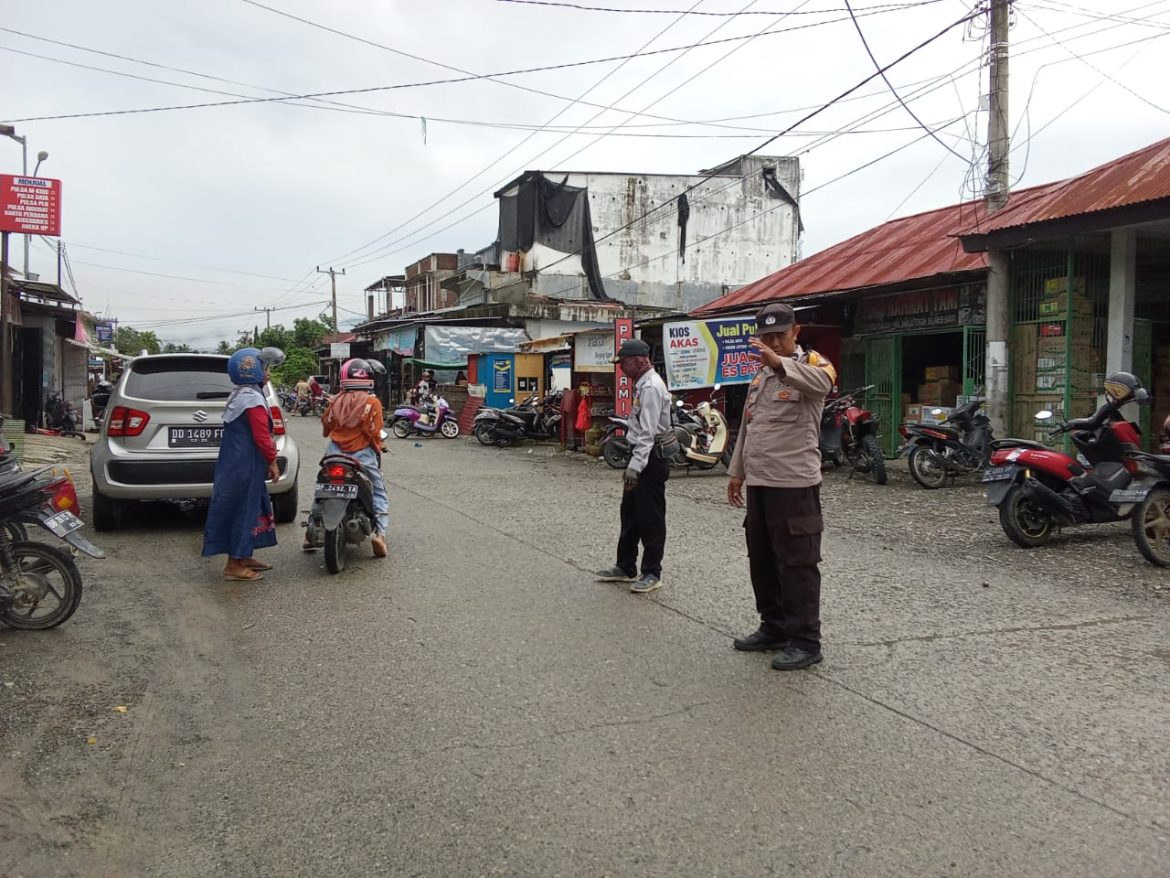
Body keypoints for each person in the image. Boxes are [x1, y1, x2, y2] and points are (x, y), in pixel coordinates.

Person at [727, 303, 837, 670]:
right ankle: (773, 627)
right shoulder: (760, 379)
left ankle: (806, 640)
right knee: (762, 560)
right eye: (766, 337)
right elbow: (749, 427)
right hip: (760, 482)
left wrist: (778, 362)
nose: (772, 342)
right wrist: (737, 472)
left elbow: (822, 387)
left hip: (794, 484)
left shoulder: (814, 367)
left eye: (780, 335)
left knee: (798, 563)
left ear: (796, 332)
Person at [595, 338, 671, 594]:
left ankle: (652, 572)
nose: (622, 369)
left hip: (650, 459)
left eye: (624, 363)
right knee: (629, 513)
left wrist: (635, 467)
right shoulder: (642, 385)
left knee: (650, 517)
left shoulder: (651, 387)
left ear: (640, 360)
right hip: (639, 456)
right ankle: (625, 566)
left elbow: (648, 433)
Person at [202, 346, 286, 581]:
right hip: (244, 464)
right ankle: (234, 565)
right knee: (243, 509)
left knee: (252, 507)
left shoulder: (242, 394)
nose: (267, 372)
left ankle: (244, 555)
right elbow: (261, 436)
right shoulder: (251, 400)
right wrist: (272, 460)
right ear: (253, 371)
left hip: (237, 461)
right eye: (265, 367)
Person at [313, 358, 390, 557]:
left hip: (334, 452)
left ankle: (310, 532)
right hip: (362, 455)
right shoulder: (372, 402)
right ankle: (380, 535)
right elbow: (373, 431)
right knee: (378, 489)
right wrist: (379, 444)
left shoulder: (335, 400)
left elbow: (326, 425)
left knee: (323, 487)